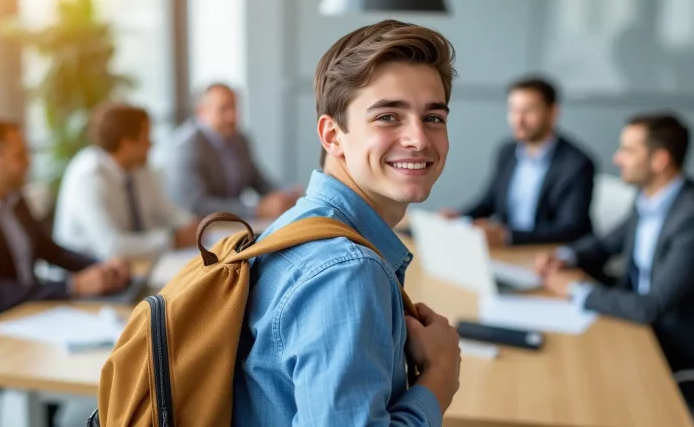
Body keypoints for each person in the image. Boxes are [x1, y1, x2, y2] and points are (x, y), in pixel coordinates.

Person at [233, 20, 461, 426]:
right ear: (333, 135)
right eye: (389, 116)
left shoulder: (300, 224)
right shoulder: (345, 270)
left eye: (433, 118)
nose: (418, 139)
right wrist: (440, 376)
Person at [534, 112, 694, 416]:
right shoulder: (651, 201)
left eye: (628, 150)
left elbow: (650, 307)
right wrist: (564, 256)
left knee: (589, 389)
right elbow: (604, 244)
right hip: (655, 339)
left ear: (659, 160)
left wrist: (575, 290)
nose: (617, 158)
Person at [0, 118, 129, 340]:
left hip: (26, 317)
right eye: (20, 155)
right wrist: (74, 286)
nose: (28, 162)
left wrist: (101, 266)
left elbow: (49, 250)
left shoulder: (13, 197)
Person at [439, 77, 595, 246]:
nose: (518, 120)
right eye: (513, 110)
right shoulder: (507, 152)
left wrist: (508, 236)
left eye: (528, 111)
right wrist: (460, 217)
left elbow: (570, 228)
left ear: (553, 113)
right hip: (509, 252)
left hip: (549, 254)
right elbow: (488, 202)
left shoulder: (577, 164)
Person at [53, 103, 200, 260]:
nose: (151, 144)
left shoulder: (138, 167)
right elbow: (111, 246)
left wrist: (192, 224)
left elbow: (163, 209)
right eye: (146, 137)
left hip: (135, 266)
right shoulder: (88, 177)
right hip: (92, 269)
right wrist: (172, 241)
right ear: (126, 144)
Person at [165, 83, 299, 218]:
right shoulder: (187, 146)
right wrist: (256, 210)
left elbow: (258, 181)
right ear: (202, 112)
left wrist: (286, 194)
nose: (232, 116)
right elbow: (197, 205)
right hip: (198, 228)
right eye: (223, 109)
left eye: (234, 107)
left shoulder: (240, 139)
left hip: (233, 225)